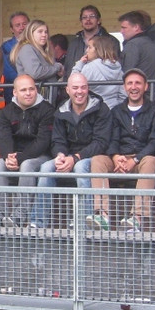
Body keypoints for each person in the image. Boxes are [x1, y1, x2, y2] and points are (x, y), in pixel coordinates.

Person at [87, 68, 155, 232]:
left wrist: (135, 159)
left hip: (142, 158)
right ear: (124, 87)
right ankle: (102, 215)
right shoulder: (116, 111)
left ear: (146, 86)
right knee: (98, 160)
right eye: (129, 83)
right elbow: (112, 139)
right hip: (120, 159)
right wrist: (115, 156)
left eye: (138, 83)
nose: (134, 87)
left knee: (151, 161)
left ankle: (137, 217)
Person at [36, 73, 112, 229]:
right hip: (69, 156)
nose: (80, 92)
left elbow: (101, 143)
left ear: (88, 89)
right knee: (46, 168)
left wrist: (76, 158)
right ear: (67, 90)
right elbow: (58, 140)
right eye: (75, 88)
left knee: (80, 167)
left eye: (83, 87)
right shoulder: (61, 110)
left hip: (92, 156)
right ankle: (38, 222)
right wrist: (60, 155)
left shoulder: (101, 108)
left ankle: (83, 221)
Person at [0, 74, 54, 226]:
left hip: (41, 155)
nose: (28, 93)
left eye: (31, 89)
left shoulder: (47, 110)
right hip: (14, 155)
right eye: (23, 90)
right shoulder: (6, 112)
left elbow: (43, 142)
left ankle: (19, 216)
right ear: (15, 92)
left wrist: (19, 158)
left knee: (27, 165)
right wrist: (8, 157)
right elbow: (4, 138)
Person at [10, 18, 64, 94]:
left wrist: (57, 74)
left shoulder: (43, 50)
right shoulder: (27, 49)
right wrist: (57, 67)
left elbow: (46, 74)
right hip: (32, 96)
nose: (44, 35)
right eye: (40, 32)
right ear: (30, 33)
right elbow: (36, 73)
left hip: (43, 96)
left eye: (46, 32)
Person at [71, 33, 124, 108]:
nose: (86, 50)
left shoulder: (90, 67)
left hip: (95, 109)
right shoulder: (118, 68)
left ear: (98, 50)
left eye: (89, 47)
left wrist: (80, 64)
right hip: (114, 108)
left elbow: (73, 83)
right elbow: (123, 94)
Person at [117, 11, 155, 86]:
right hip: (150, 88)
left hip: (135, 89)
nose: (121, 31)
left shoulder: (132, 45)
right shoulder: (151, 43)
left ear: (136, 27)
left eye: (124, 28)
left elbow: (125, 72)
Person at [64, 5, 110, 74]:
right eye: (84, 17)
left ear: (98, 20)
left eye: (92, 16)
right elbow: (67, 68)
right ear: (81, 21)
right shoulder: (73, 44)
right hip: (76, 80)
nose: (88, 19)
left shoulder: (110, 41)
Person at [1, 10, 30, 89]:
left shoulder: (38, 44)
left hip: (35, 88)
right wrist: (27, 81)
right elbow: (8, 72)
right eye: (17, 25)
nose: (22, 27)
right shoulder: (6, 47)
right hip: (13, 89)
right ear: (12, 29)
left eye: (24, 24)